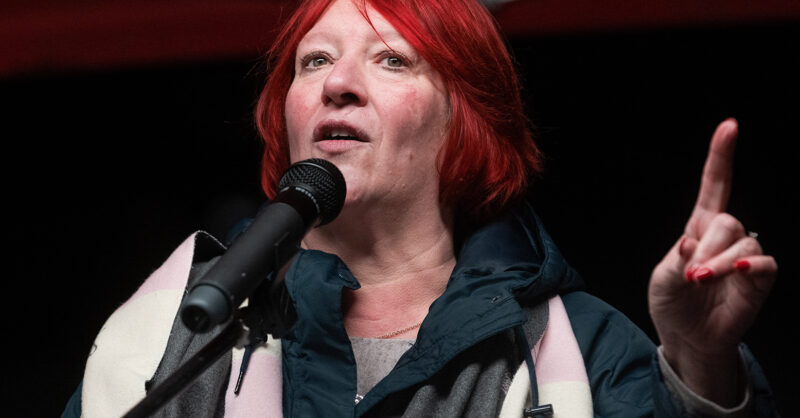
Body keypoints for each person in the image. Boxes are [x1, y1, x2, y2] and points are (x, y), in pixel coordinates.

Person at [64, 0, 779, 416]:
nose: (338, 83)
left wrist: (701, 364)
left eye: (391, 59)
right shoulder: (168, 329)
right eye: (315, 61)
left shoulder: (579, 345)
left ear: (465, 122)